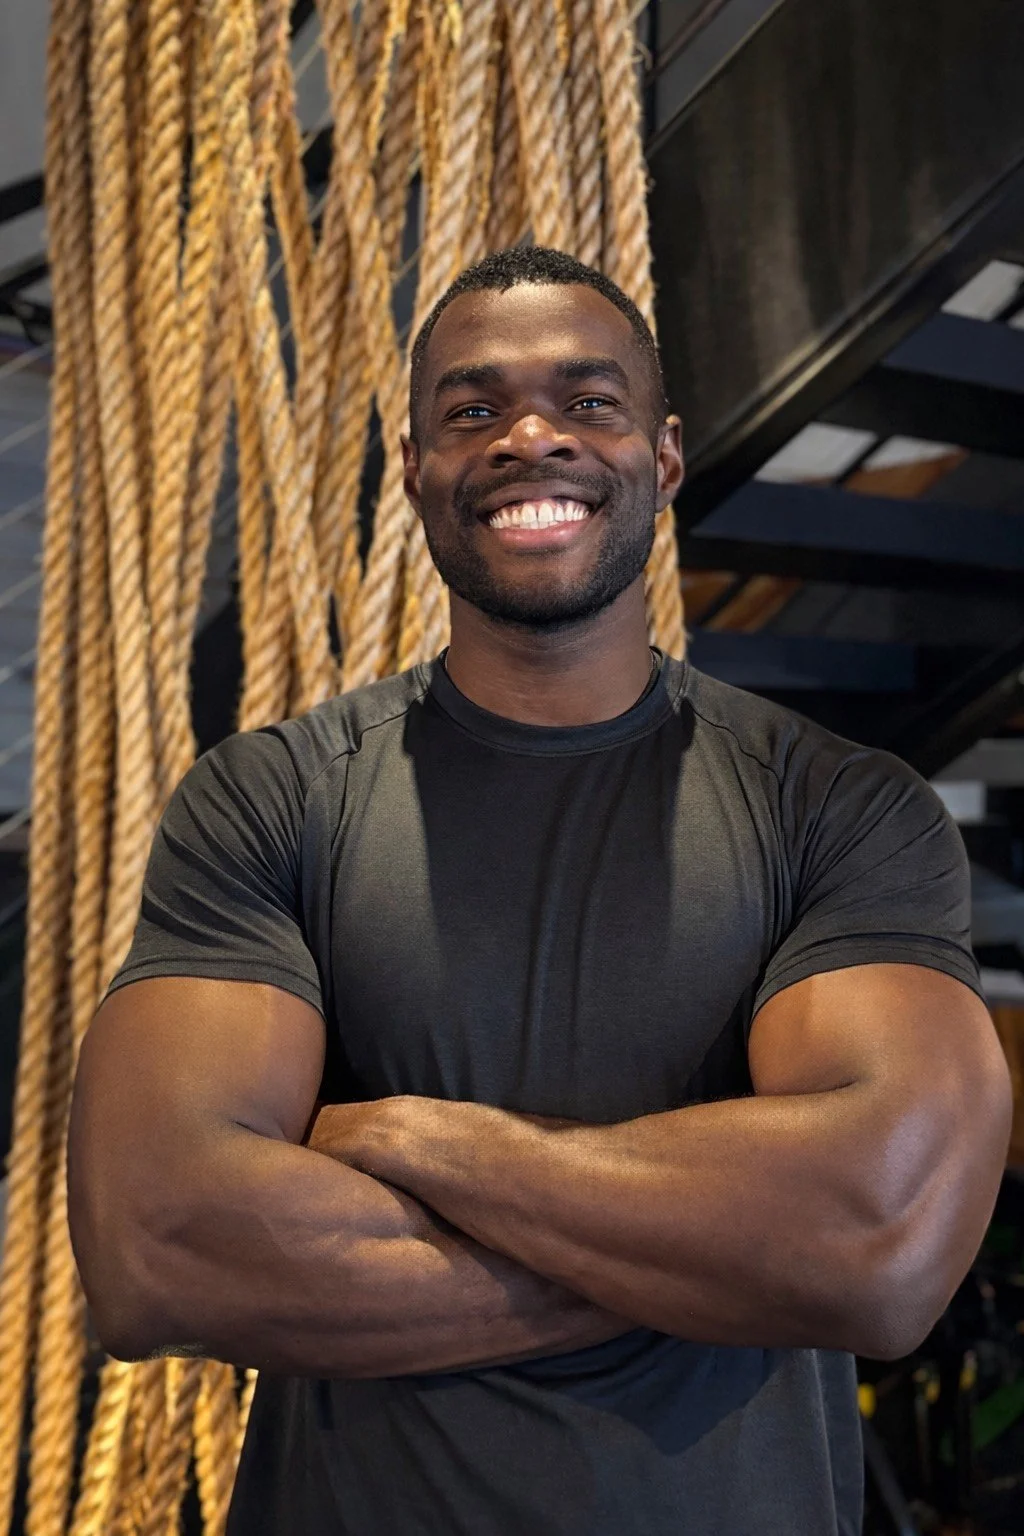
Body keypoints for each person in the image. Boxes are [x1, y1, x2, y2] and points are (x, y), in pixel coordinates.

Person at [68, 246, 1012, 1536]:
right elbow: (160, 1249)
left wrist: (416, 1141)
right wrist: (729, 1255)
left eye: (589, 402)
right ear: (414, 471)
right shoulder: (273, 797)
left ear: (663, 458)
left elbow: (879, 1249)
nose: (529, 438)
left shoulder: (839, 807)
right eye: (472, 410)